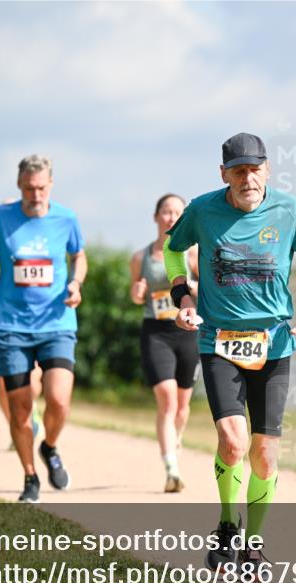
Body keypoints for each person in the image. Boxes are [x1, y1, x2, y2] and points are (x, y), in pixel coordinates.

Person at [163, 132, 296, 573]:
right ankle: (227, 523)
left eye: (255, 169)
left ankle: (254, 542)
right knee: (233, 442)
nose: (248, 178)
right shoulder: (201, 209)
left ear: (267, 169)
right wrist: (182, 297)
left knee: (265, 454)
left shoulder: (291, 210)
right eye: (238, 171)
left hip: (274, 344)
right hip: (218, 342)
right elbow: (173, 250)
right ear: (223, 174)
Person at [0, 154, 87, 503]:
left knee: (58, 400)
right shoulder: (0, 217)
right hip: (11, 326)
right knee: (21, 409)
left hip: (56, 323)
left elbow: (78, 256)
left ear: (50, 184)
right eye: (28, 188)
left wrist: (76, 283)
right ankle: (30, 477)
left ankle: (49, 447)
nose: (35, 195)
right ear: (19, 186)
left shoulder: (66, 218)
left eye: (40, 188)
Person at [130, 193, 200, 493]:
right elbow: (135, 297)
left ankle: (175, 439)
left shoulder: (193, 254)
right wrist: (138, 289)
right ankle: (171, 467)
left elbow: (207, 290)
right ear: (156, 216)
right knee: (168, 401)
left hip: (187, 331)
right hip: (156, 332)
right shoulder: (140, 257)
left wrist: (188, 287)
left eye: (177, 212)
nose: (171, 217)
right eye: (166, 212)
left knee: (182, 407)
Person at [0, 250, 44, 449]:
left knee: (32, 383)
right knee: (4, 391)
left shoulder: (33, 249)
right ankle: (20, 430)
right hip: (0, 326)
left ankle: (31, 417)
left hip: (34, 324)